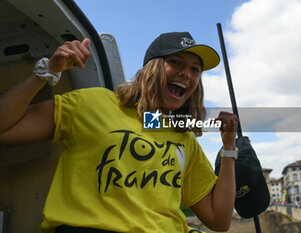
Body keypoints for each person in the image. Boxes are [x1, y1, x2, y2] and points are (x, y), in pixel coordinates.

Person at [0, 32, 238, 233]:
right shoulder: (93, 103)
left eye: (195, 70)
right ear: (151, 68)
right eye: (176, 62)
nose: (188, 73)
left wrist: (229, 148)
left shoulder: (184, 139)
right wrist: (48, 71)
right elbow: (5, 127)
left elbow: (219, 220)